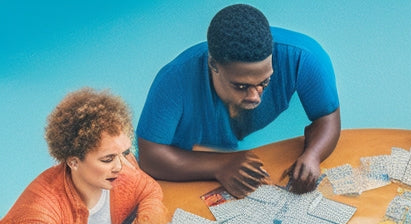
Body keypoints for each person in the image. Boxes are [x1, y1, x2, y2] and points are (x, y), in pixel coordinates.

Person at [136, 4, 340, 197]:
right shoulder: (174, 80)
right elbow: (150, 156)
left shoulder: (305, 58)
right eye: (241, 86)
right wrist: (219, 165)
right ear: (213, 65)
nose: (254, 97)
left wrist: (313, 154)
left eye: (264, 82)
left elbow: (328, 117)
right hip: (189, 158)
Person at [0, 88, 166, 224]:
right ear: (73, 161)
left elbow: (150, 192)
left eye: (124, 153)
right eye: (108, 159)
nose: (121, 166)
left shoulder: (118, 173)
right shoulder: (41, 211)